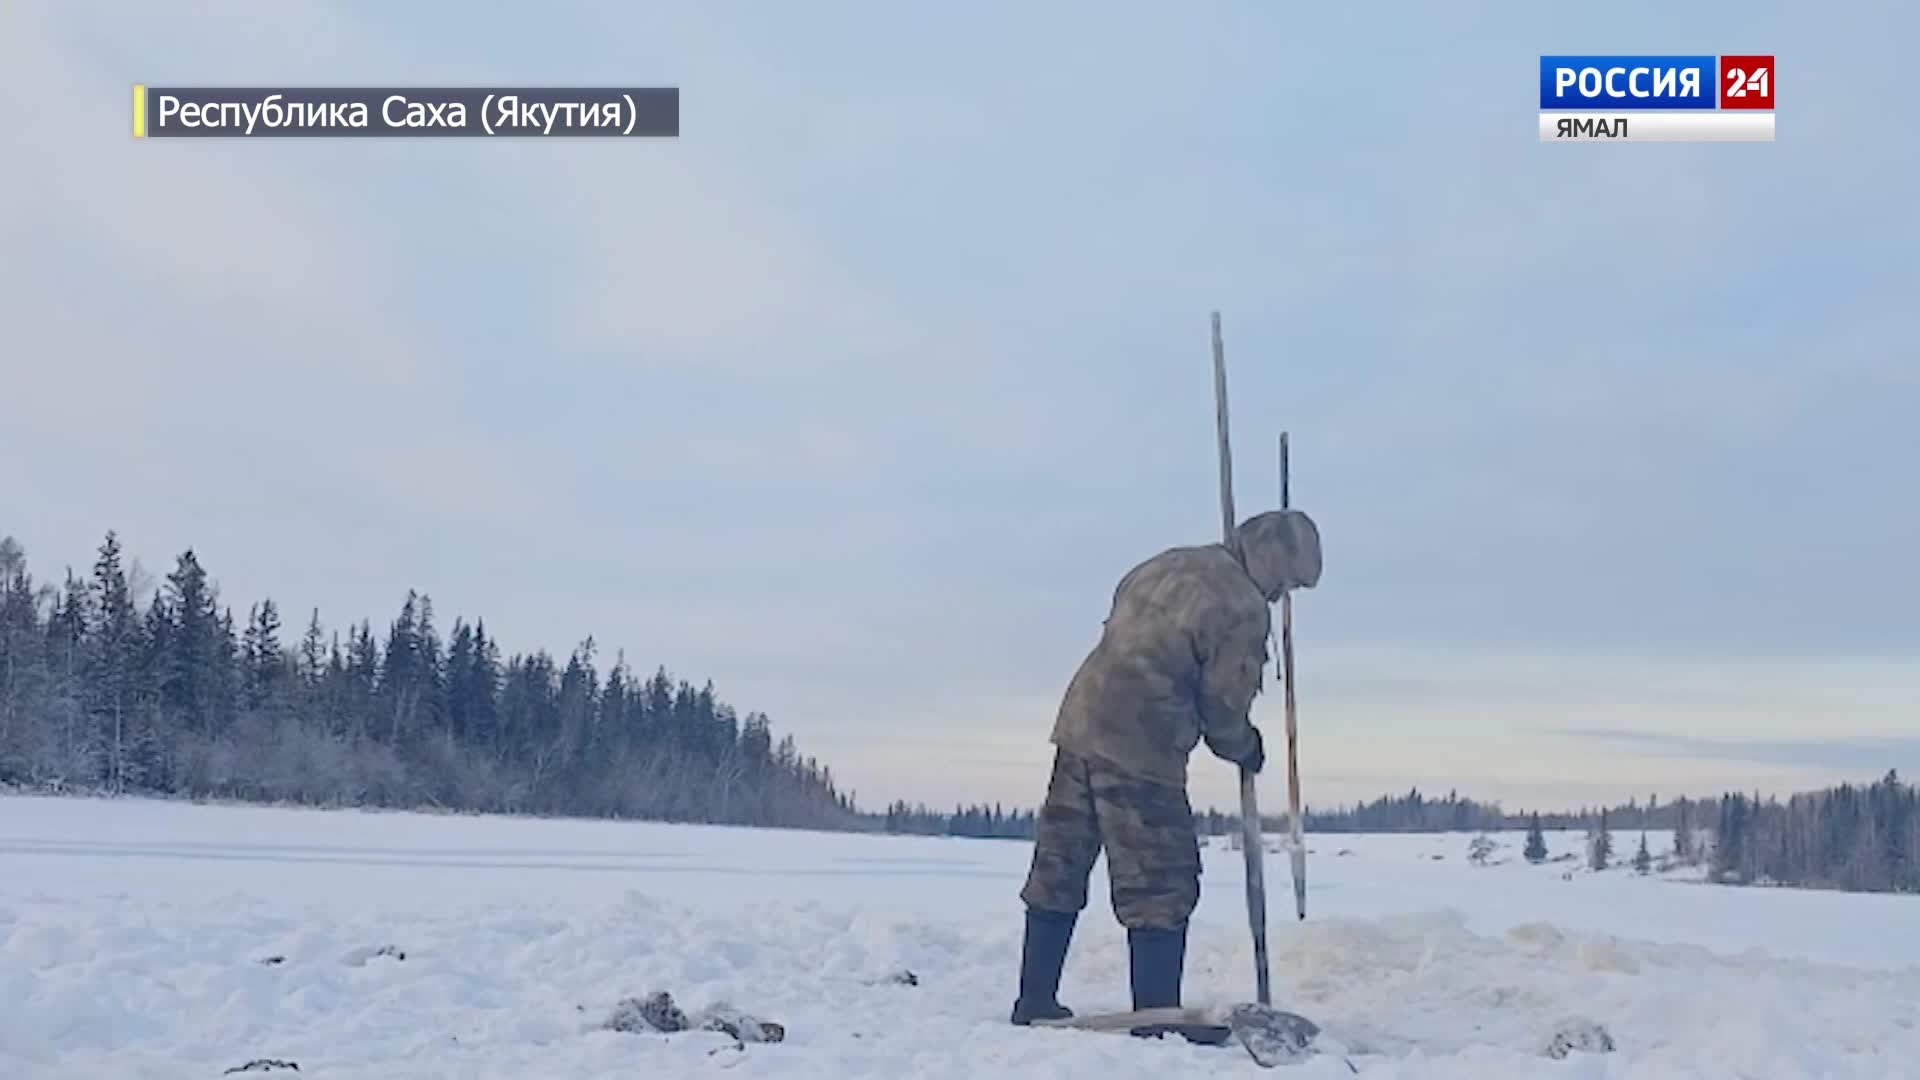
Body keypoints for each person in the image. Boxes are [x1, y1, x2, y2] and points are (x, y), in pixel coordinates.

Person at [1009, 508, 1322, 1025]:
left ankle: (1034, 998)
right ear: (1271, 558)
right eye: (1287, 583)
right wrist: (1245, 745)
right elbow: (1223, 707)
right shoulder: (1241, 605)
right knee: (1160, 881)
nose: (1280, 596)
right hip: (1142, 745)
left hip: (1081, 724)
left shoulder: (1167, 564)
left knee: (1060, 865)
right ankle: (1154, 1016)